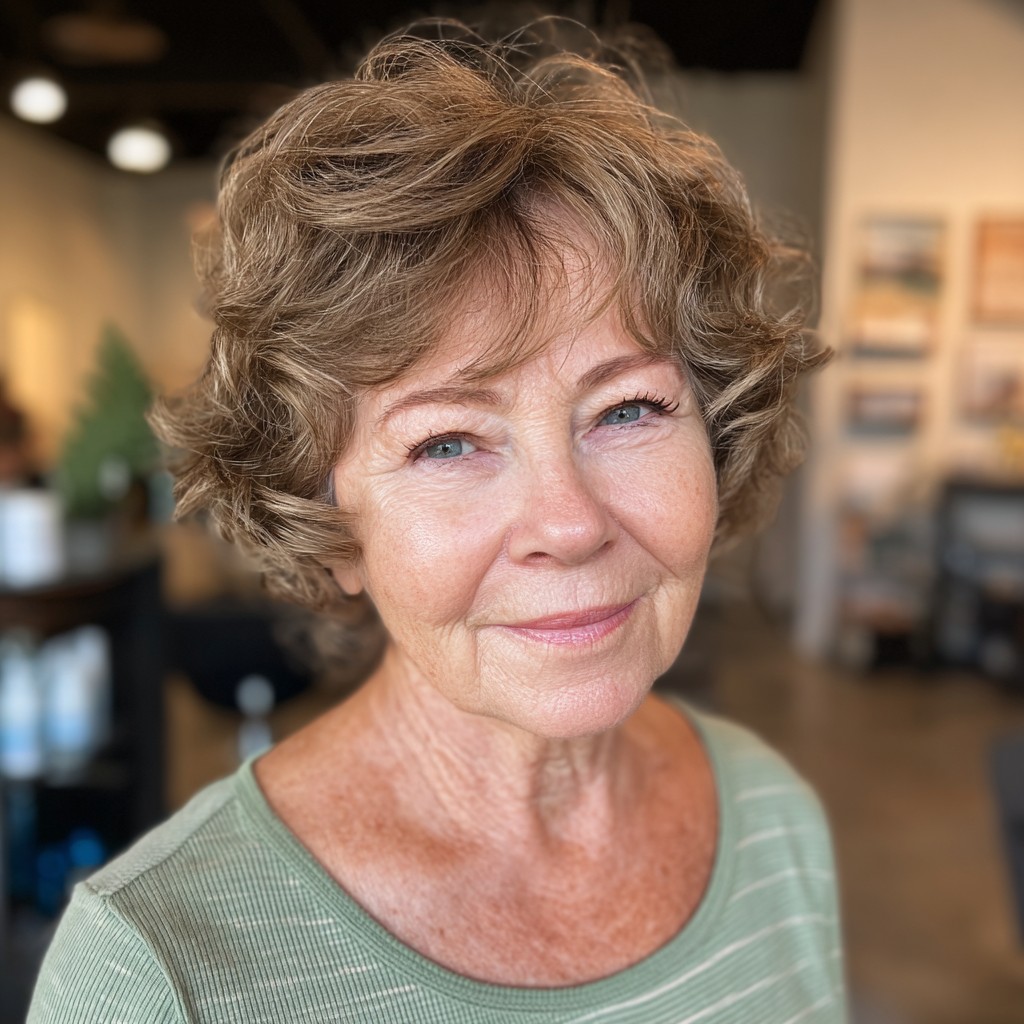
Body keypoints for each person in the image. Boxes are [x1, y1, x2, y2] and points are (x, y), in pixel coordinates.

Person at [30, 20, 846, 1023]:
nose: (569, 524)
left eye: (628, 409)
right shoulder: (156, 969)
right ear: (329, 523)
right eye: (448, 442)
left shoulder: (772, 816)